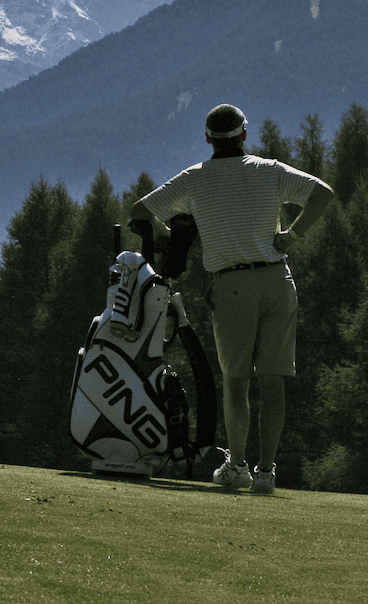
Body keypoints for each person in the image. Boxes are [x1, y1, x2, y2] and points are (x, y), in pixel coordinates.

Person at [131, 103, 334, 496]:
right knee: (273, 382)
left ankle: (237, 466)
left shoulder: (194, 179)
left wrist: (172, 234)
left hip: (231, 286)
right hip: (278, 279)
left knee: (236, 383)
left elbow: (141, 209)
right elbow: (322, 194)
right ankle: (266, 473)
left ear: (208, 138)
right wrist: (293, 235)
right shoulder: (270, 171)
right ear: (244, 135)